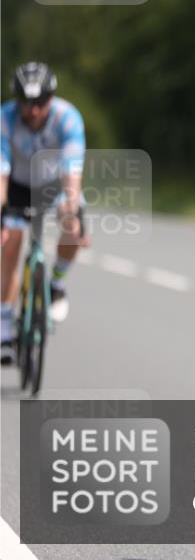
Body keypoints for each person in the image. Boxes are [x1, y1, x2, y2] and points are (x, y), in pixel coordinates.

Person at [0, 62, 87, 365]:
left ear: (51, 98)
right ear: (17, 100)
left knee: (73, 228)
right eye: (26, 103)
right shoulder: (5, 119)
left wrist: (72, 212)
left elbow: (72, 173)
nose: (34, 110)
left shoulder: (67, 118)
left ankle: (57, 284)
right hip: (18, 185)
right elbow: (1, 174)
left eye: (40, 102)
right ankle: (4, 326)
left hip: (54, 185)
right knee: (10, 243)